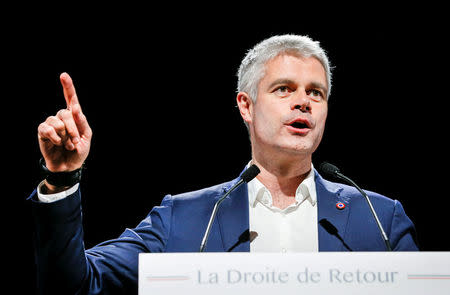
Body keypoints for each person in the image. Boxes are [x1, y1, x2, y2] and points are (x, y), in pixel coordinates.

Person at [29, 34, 418, 294]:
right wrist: (61, 180)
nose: (304, 102)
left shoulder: (379, 220)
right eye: (284, 89)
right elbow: (74, 286)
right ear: (246, 106)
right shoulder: (185, 219)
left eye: (316, 92)